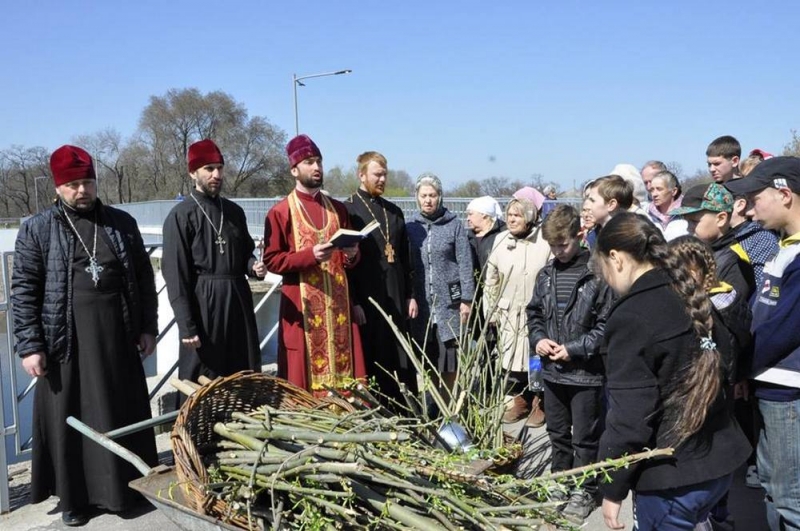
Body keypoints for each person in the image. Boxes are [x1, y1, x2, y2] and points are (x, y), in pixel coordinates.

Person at [12, 145, 159, 526]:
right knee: (72, 419)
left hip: (118, 336)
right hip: (66, 341)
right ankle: (74, 500)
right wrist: (30, 346)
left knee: (118, 411)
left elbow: (143, 278)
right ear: (58, 187)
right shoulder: (38, 228)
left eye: (88, 183)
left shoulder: (121, 223)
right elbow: (24, 291)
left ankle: (125, 490)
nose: (82, 191)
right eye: (73, 184)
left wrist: (148, 327)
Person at [595, 213, 751, 531]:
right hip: (718, 464)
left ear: (616, 258)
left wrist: (611, 486)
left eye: (602, 269)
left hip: (673, 479)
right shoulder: (689, 294)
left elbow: (629, 416)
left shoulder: (632, 316)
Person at [725, 157, 800, 530]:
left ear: (784, 195)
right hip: (768, 384)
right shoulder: (784, 249)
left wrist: (740, 364)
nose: (749, 211)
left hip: (788, 392)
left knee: (790, 498)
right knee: (772, 487)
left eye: (755, 199)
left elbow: (782, 329)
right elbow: (760, 313)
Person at [527, 205, 613, 523]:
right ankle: (560, 480)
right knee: (558, 433)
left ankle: (585, 489)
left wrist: (574, 349)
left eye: (562, 244)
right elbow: (534, 313)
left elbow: (606, 326)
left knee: (585, 437)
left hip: (586, 373)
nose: (557, 251)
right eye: (552, 246)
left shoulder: (598, 274)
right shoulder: (546, 275)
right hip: (553, 372)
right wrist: (538, 339)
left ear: (580, 234)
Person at [263, 135, 366, 397]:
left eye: (319, 161)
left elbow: (349, 261)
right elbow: (272, 260)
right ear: (294, 170)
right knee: (304, 381)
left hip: (339, 308)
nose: (317, 167)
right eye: (309, 162)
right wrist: (309, 256)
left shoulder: (338, 209)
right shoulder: (280, 212)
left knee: (347, 379)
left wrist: (352, 254)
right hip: (304, 308)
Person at [162, 139, 265, 394]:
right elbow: (176, 275)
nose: (216, 175)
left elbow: (244, 254)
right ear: (193, 173)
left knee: (242, 371)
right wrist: (186, 325)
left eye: (219, 168)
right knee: (203, 377)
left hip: (237, 301)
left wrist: (253, 267)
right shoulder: (180, 216)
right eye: (209, 169)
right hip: (203, 306)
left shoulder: (234, 212)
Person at [344, 151, 417, 408]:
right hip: (367, 297)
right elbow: (345, 265)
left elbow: (406, 258)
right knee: (373, 354)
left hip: (396, 294)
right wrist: (353, 301)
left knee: (399, 353)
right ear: (362, 175)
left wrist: (410, 295)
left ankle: (405, 410)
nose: (383, 179)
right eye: (377, 174)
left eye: (385, 174)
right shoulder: (348, 210)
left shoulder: (394, 212)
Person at [483, 187, 551, 425]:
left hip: (536, 312)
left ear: (529, 218)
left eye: (517, 215)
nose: (511, 219)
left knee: (535, 358)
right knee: (511, 360)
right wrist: (490, 310)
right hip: (508, 311)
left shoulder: (545, 242)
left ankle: (539, 403)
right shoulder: (501, 240)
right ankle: (519, 400)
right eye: (509, 215)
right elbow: (491, 279)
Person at [406, 172, 474, 404]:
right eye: (423, 195)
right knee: (429, 358)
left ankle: (449, 401)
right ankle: (435, 401)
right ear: (417, 198)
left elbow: (465, 263)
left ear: (440, 196)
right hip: (423, 307)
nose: (428, 200)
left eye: (432, 195)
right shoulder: (411, 227)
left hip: (449, 305)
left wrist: (467, 299)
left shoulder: (454, 225)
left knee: (449, 360)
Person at [669, 182, 755, 301]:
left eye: (694, 222)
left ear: (721, 219)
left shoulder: (736, 260)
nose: (689, 228)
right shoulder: (696, 253)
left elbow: (732, 306)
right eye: (687, 222)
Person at [583, 174, 634, 248]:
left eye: (592, 201)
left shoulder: (630, 238)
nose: (588, 206)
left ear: (611, 205)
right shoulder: (594, 236)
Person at [465, 195, 506, 272]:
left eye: (470, 214)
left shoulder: (502, 235)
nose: (468, 219)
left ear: (483, 214)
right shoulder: (468, 237)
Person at [646, 170, 688, 241]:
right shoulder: (647, 215)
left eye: (659, 189)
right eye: (652, 190)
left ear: (674, 191)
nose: (654, 194)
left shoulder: (687, 214)